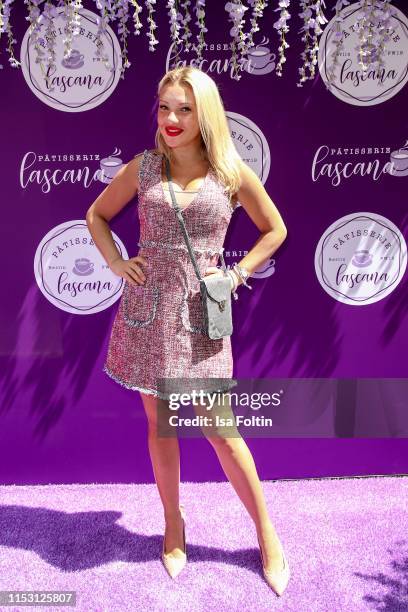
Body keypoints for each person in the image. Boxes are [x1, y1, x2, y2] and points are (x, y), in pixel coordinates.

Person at [86, 66, 289, 596]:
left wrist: (237, 274)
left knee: (222, 431)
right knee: (161, 427)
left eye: (185, 109)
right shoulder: (144, 167)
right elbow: (97, 216)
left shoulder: (230, 171)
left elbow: (275, 230)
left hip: (201, 319)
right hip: (148, 314)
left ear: (206, 115)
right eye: (164, 108)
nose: (172, 119)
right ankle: (173, 526)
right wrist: (116, 261)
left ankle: (267, 535)